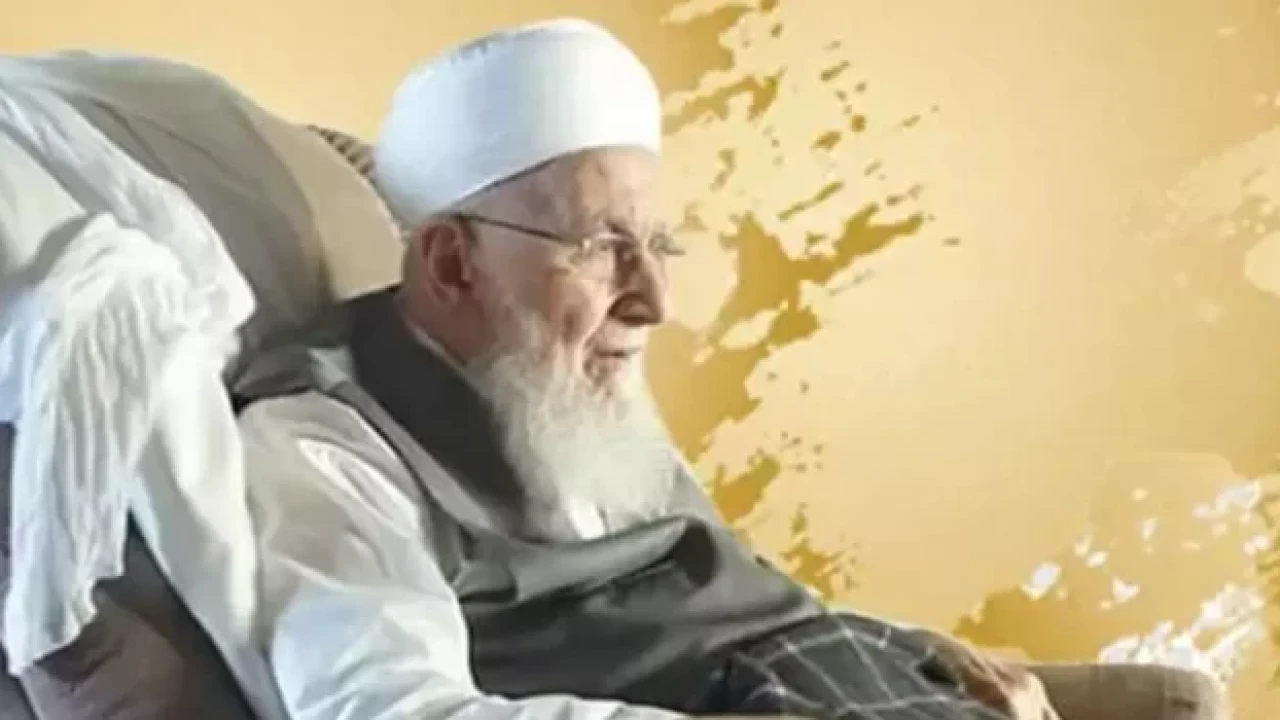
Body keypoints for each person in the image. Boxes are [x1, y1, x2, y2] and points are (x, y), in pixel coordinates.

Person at [236, 18, 1227, 720]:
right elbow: (384, 705)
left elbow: (718, 592)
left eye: (658, 246)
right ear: (454, 264)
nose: (653, 301)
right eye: (600, 246)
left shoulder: (561, 375)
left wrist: (912, 661)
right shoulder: (323, 439)